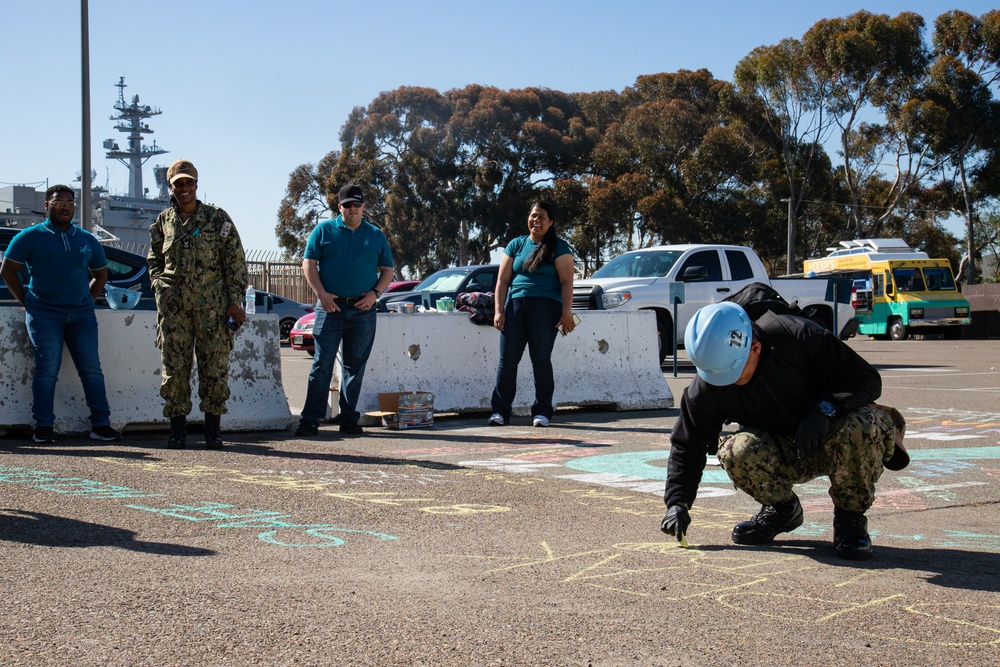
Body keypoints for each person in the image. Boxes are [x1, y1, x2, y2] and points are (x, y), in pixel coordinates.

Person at [660, 301, 909, 560]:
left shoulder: (798, 336)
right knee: (736, 451)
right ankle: (782, 510)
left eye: (732, 373)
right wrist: (678, 502)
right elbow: (688, 444)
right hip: (786, 450)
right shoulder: (711, 383)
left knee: (865, 424)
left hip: (835, 439)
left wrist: (825, 410)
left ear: (755, 347)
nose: (727, 382)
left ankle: (850, 519)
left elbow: (866, 379)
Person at [0, 185, 122, 444]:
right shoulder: (29, 236)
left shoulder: (86, 239)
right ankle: (43, 426)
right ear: (47, 205)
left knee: (91, 370)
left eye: (69, 202)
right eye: (58, 202)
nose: (65, 206)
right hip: (44, 315)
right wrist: (27, 301)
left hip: (81, 316)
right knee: (47, 370)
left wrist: (87, 301)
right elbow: (8, 271)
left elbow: (101, 274)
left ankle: (101, 425)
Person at [147, 158, 249, 449]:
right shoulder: (164, 222)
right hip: (175, 310)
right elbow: (154, 258)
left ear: (196, 184)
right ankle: (177, 429)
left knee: (214, 367)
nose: (184, 188)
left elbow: (235, 263)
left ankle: (212, 430)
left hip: (212, 309)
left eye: (189, 182)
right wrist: (159, 286)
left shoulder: (217, 219)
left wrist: (234, 302)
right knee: (174, 368)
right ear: (171, 186)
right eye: (178, 183)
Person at [295, 184, 394, 437]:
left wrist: (375, 294)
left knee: (355, 367)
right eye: (347, 205)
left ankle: (348, 419)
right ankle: (310, 420)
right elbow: (309, 264)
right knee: (322, 365)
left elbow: (387, 271)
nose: (352, 209)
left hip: (363, 311)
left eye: (357, 204)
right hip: (330, 309)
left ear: (363, 207)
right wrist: (322, 295)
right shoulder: (323, 230)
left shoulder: (375, 235)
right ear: (339, 207)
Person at [489, 201, 577, 428]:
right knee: (507, 360)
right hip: (516, 307)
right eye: (533, 216)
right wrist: (499, 310)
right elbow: (502, 280)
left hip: (546, 309)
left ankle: (542, 412)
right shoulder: (516, 245)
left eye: (542, 217)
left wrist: (567, 312)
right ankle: (500, 412)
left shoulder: (559, 247)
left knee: (540, 360)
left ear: (551, 222)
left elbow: (567, 281)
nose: (536, 221)